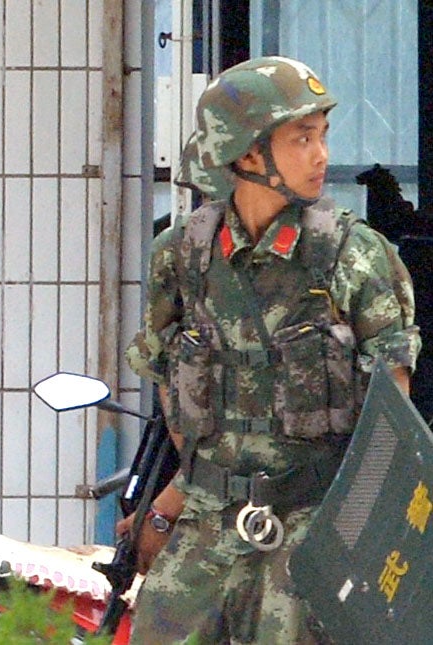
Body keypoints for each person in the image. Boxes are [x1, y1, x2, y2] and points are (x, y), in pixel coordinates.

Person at [122, 56, 421, 643]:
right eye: (301, 138)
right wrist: (170, 504)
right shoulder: (181, 257)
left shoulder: (354, 256)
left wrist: (350, 549)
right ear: (247, 154)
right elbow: (170, 384)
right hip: (207, 526)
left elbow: (392, 422)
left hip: (312, 528)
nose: (321, 155)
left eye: (322, 136)